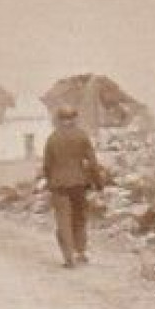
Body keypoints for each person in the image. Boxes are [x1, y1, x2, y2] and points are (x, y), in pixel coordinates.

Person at [39, 105, 102, 268]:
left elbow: (46, 165)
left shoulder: (52, 138)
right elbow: (93, 163)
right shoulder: (82, 136)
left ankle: (69, 257)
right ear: (74, 118)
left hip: (59, 185)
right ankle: (80, 252)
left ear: (59, 119)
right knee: (79, 217)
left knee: (63, 221)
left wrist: (48, 181)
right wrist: (99, 183)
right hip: (79, 183)